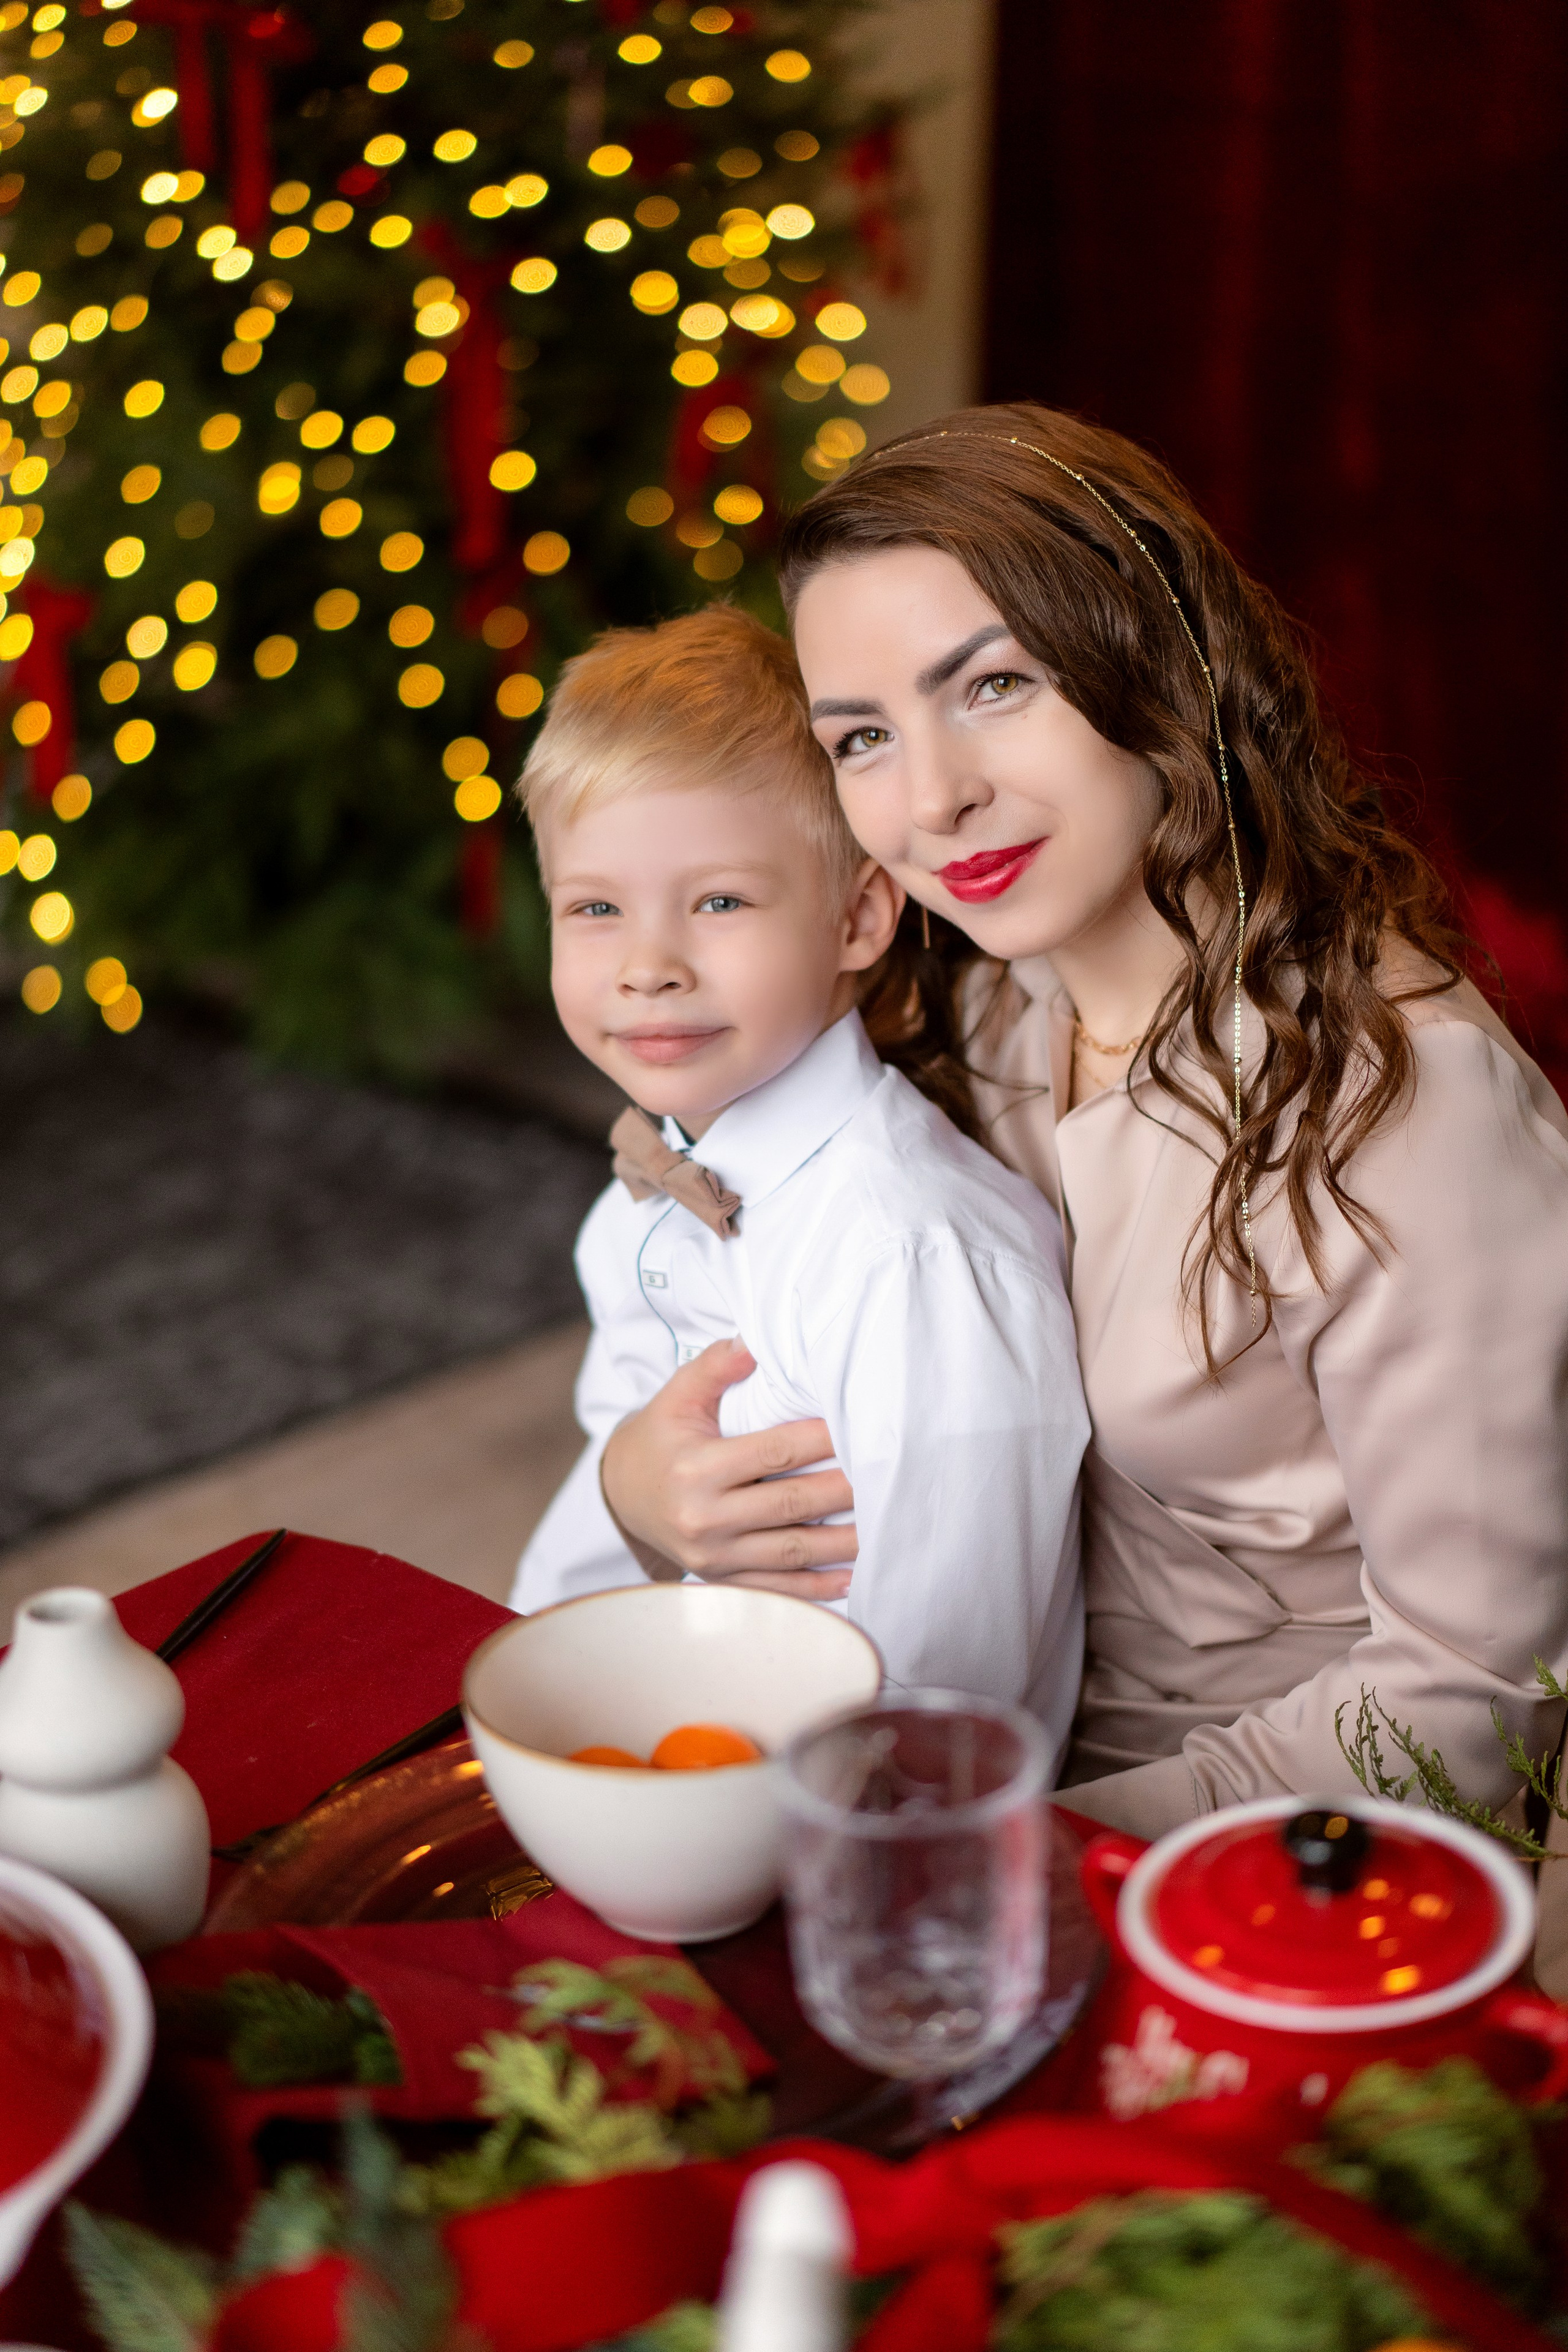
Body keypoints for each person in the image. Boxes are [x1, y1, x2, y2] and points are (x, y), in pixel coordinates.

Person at [597, 405, 1568, 1841]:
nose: (934, 798)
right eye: (862, 737)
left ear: (1154, 664)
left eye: (994, 685)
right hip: (949, 1742)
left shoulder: (1402, 1106)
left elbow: (1476, 1692)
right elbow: (697, 1176)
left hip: (1244, 1847)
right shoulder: (983, 1002)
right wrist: (640, 1483)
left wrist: (1008, 1853)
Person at [510, 605, 1089, 1765]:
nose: (648, 966)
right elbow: (605, 1519)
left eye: (719, 901)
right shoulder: (643, 1203)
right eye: (596, 908)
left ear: (858, 917)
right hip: (660, 1731)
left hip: (843, 1806)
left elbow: (942, 1694)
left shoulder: (913, 1258)